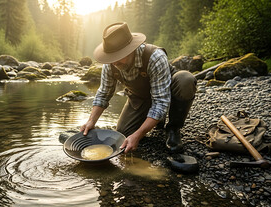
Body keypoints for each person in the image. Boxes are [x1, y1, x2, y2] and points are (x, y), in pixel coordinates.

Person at [80, 22, 197, 154]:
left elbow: (160, 102)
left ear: (131, 49)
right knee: (123, 134)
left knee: (185, 80)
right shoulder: (111, 63)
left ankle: (173, 129)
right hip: (140, 97)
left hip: (167, 90)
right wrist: (91, 121)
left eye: (119, 56)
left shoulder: (155, 57)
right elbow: (103, 94)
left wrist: (138, 135)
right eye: (112, 57)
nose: (114, 62)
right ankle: (157, 120)